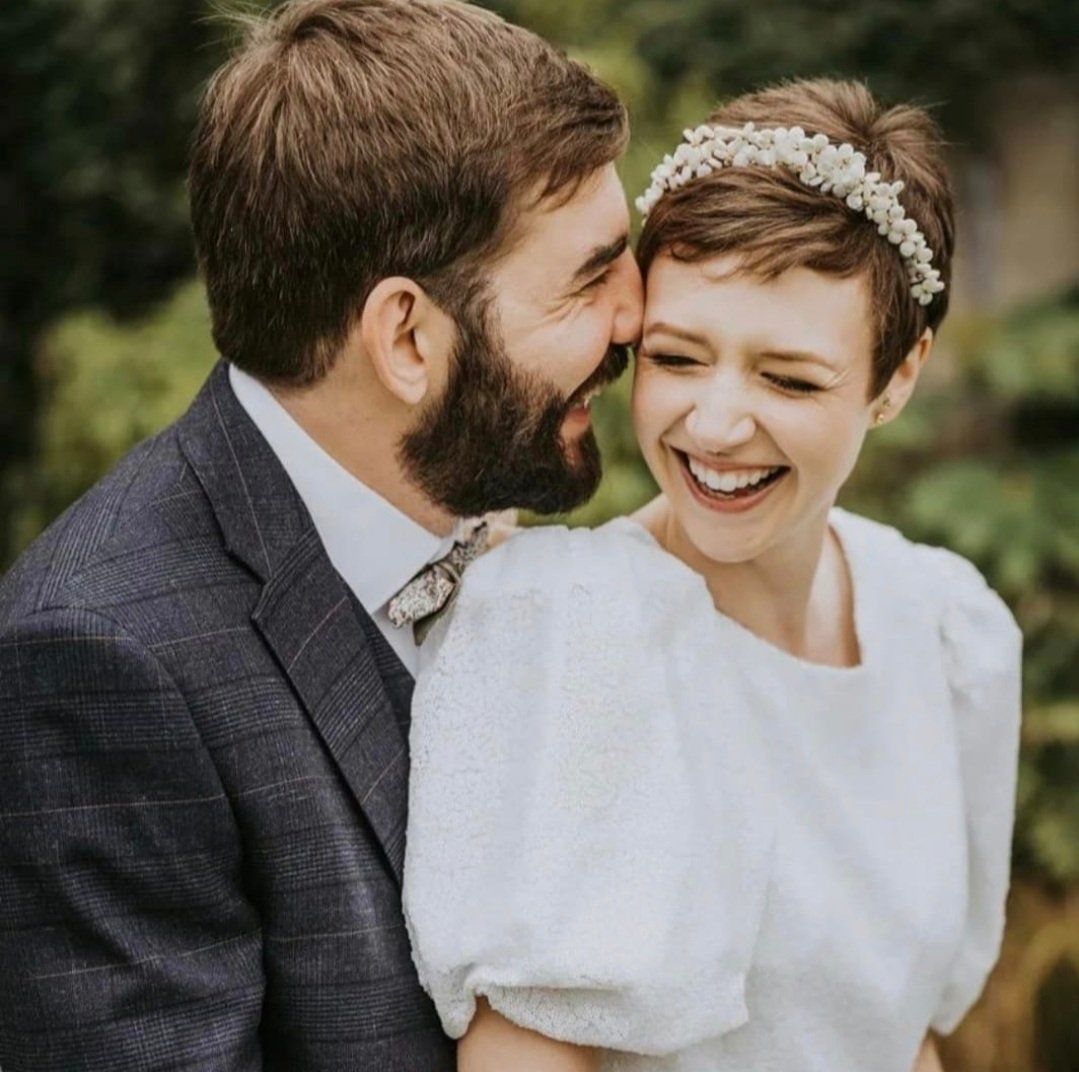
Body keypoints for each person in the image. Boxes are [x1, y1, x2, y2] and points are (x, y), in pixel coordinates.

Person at [0, 1, 642, 1068]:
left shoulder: (501, 527)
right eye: (588, 277)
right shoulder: (97, 666)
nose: (638, 318)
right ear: (406, 339)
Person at [403, 79, 1023, 1072]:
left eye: (788, 378)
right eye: (679, 357)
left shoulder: (949, 630)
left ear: (898, 375)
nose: (716, 424)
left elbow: (907, 1040)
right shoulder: (574, 628)